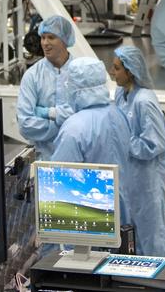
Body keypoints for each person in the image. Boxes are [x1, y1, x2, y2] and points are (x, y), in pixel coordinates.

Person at [47, 58, 134, 256]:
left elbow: (60, 183)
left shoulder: (74, 128)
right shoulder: (117, 114)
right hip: (122, 215)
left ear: (76, 88)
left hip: (88, 225)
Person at [110, 45, 165, 257]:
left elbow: (155, 143)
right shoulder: (121, 94)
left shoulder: (144, 101)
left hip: (148, 183)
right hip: (130, 181)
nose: (113, 72)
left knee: (152, 239)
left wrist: (122, 142)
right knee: (130, 240)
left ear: (130, 71)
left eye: (117, 68)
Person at [16, 15, 78, 158]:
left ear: (65, 40)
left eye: (51, 37)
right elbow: (25, 125)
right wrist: (67, 124)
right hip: (43, 158)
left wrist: (46, 114)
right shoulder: (32, 75)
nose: (45, 43)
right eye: (43, 37)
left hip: (77, 157)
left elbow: (88, 119)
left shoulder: (80, 72)